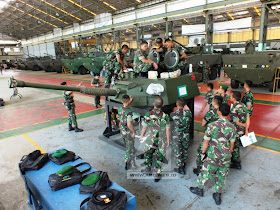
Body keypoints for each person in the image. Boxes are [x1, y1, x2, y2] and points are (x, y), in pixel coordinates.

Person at [190, 104, 236, 205]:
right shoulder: (232, 127)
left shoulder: (212, 125)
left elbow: (206, 142)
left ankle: (200, 189)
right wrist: (229, 153)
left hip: (213, 155)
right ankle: (218, 195)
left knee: (206, 172)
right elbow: (232, 143)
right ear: (228, 113)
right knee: (221, 175)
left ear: (219, 112)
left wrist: (203, 154)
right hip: (226, 155)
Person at [140, 96, 170, 182]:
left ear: (153, 104)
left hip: (151, 139)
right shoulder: (166, 116)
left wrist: (142, 136)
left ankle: (148, 169)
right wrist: (168, 140)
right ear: (163, 105)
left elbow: (144, 127)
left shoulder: (148, 114)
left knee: (148, 153)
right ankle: (158, 173)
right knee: (160, 156)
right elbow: (167, 129)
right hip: (161, 140)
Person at [193, 95, 223, 175]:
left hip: (210, 136)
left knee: (201, 151)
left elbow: (203, 124)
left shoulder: (211, 112)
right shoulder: (223, 111)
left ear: (214, 103)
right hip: (220, 136)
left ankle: (200, 168)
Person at [170, 98, 192, 175]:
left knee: (178, 151)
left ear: (177, 104)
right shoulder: (189, 113)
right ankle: (184, 163)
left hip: (177, 136)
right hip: (186, 135)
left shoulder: (173, 114)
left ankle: (181, 168)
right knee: (185, 150)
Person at [230, 91, 250, 170]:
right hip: (241, 130)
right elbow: (248, 118)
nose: (230, 97)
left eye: (231, 96)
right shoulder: (244, 106)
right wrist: (246, 129)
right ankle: (235, 160)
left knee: (234, 146)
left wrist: (243, 125)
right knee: (236, 145)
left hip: (236, 130)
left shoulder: (234, 108)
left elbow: (237, 122)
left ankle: (236, 163)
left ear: (234, 98)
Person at [118, 95, 136, 170]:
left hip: (122, 131)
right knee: (129, 148)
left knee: (127, 146)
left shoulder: (119, 109)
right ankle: (127, 162)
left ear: (122, 101)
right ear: (129, 101)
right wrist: (133, 132)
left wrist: (129, 101)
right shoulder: (129, 112)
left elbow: (120, 121)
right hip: (128, 132)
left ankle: (130, 158)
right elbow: (129, 124)